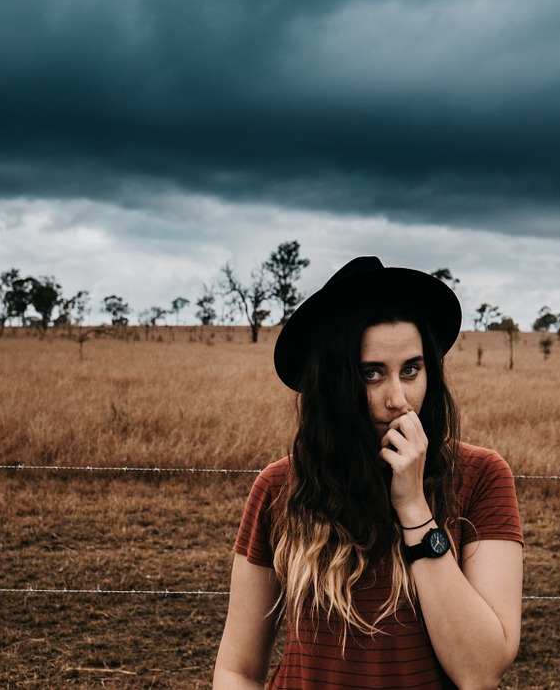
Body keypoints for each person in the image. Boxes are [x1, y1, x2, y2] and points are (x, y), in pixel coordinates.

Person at [213, 256, 523, 689]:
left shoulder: (480, 476)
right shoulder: (280, 488)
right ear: (333, 385)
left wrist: (414, 507)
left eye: (411, 369)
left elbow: (480, 671)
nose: (399, 398)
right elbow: (237, 670)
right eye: (371, 374)